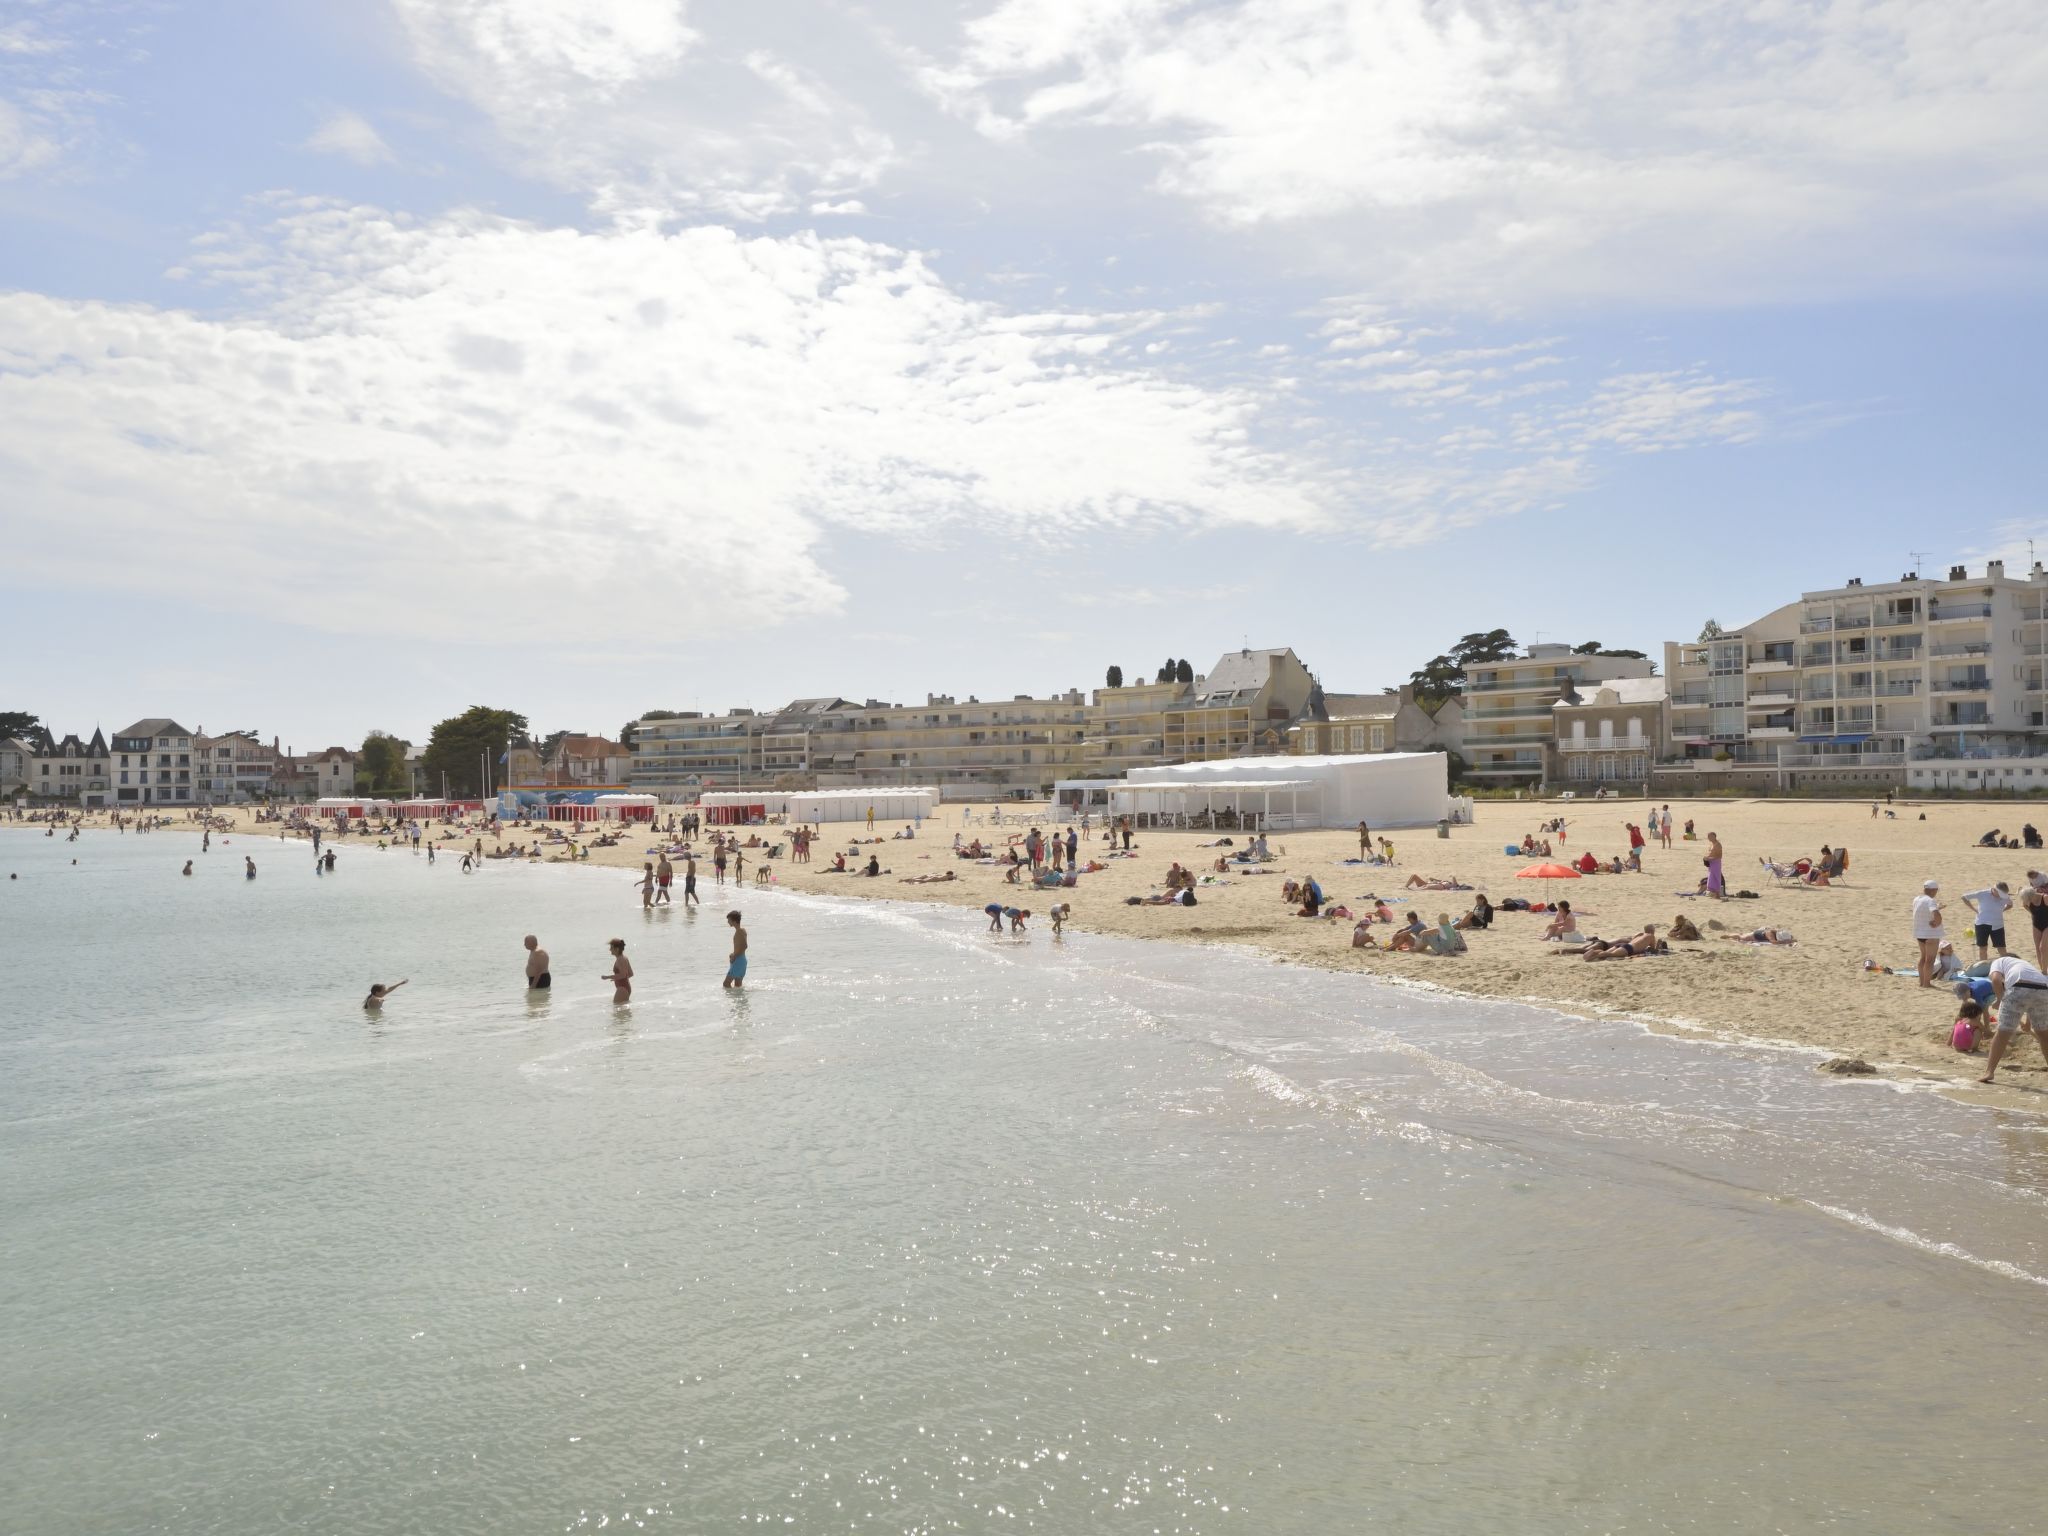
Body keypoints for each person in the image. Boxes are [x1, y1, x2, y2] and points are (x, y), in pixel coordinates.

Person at [1979, 951, 2048, 1083]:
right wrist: (2028, 1023)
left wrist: (2000, 999)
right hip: (2043, 989)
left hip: (2019, 987)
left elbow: (1995, 979)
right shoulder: (2027, 966)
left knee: (2003, 1033)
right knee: (2044, 1034)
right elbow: (2032, 993)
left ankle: (1989, 1072)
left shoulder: (1999, 961)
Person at [1962, 882, 2013, 962]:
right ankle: (1983, 967)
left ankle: (2005, 966)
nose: (2000, 897)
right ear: (1994, 890)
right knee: (1983, 948)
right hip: (1981, 924)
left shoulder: (2005, 896)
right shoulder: (1982, 893)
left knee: (2001, 948)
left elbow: (2010, 904)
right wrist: (1974, 909)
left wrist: (2003, 910)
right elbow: (1964, 897)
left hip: (1998, 925)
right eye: (1999, 894)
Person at [1912, 879, 1944, 988]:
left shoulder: (1917, 899)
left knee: (1923, 958)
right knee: (1930, 960)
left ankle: (1921, 982)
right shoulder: (1930, 900)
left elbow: (1924, 911)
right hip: (1930, 934)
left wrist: (1938, 908)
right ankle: (1927, 983)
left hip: (1919, 933)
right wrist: (1937, 922)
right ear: (1933, 890)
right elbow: (1935, 914)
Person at [603, 939, 633, 1003]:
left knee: (617, 1010)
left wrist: (607, 977)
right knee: (622, 1011)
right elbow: (630, 974)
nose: (610, 949)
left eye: (611, 947)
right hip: (625, 988)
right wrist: (617, 978)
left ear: (617, 949)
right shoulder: (624, 958)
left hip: (622, 989)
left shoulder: (620, 960)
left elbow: (623, 975)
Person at [724, 910, 748, 989]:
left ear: (734, 921)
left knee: (726, 984)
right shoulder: (741, 931)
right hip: (741, 960)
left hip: (739, 960)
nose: (728, 922)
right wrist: (733, 954)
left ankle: (730, 1000)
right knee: (738, 986)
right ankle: (738, 1000)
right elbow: (740, 946)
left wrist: (734, 955)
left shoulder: (740, 931)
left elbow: (744, 946)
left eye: (729, 920)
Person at [1704, 831, 1724, 899]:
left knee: (1716, 877)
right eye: (1708, 836)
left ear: (1714, 836)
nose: (1709, 838)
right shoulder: (1711, 844)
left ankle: (1717, 894)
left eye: (1710, 836)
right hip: (1711, 863)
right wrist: (1706, 858)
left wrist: (1710, 858)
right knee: (1711, 878)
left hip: (1716, 863)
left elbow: (1719, 856)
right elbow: (1710, 853)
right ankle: (1715, 894)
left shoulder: (1718, 844)